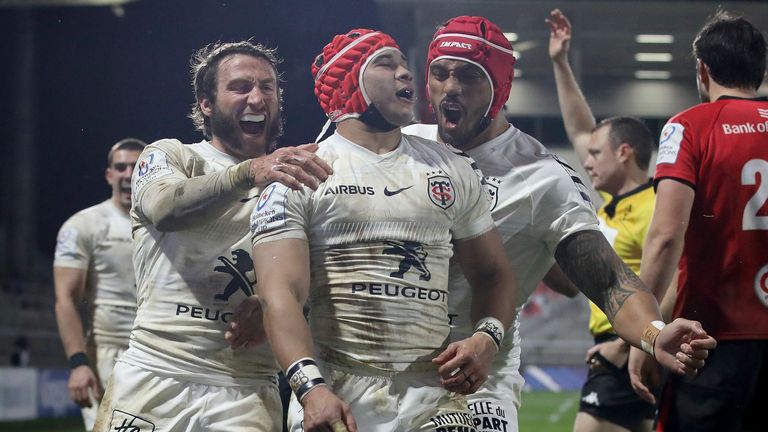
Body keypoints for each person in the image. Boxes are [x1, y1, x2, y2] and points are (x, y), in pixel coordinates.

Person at [402, 15, 716, 432]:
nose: (451, 88)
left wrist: (654, 333)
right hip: (389, 371)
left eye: (469, 76)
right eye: (440, 73)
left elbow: (605, 280)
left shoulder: (541, 177)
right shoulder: (403, 146)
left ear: (499, 88)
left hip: (476, 384)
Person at [248, 28, 518, 432]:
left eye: (405, 65)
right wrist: (310, 389)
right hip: (338, 391)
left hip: (434, 393)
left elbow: (493, 273)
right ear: (348, 80)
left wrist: (487, 338)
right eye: (386, 64)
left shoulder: (452, 168)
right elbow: (279, 293)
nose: (406, 74)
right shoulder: (303, 170)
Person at [92, 40, 333, 432]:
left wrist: (279, 304)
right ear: (206, 103)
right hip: (156, 372)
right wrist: (249, 172)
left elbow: (320, 277)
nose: (257, 97)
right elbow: (165, 208)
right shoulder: (171, 155)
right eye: (240, 87)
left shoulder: (295, 179)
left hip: (246, 387)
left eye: (267, 87)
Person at [629, 10, 768, 432]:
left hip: (709, 343)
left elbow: (666, 237)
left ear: (702, 70)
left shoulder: (687, 127)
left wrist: (646, 331)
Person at [547, 9, 658, 431]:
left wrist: (622, 344)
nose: (586, 161)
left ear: (625, 152)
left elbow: (668, 282)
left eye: (596, 154)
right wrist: (560, 63)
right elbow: (581, 129)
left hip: (629, 345)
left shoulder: (653, 207)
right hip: (621, 344)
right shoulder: (613, 205)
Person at [54, 137, 146, 431]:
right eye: (121, 167)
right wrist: (78, 363)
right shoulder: (84, 225)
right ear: (109, 175)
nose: (129, 174)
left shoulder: (170, 227)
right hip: (107, 355)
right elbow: (65, 299)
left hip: (159, 352)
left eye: (137, 166)